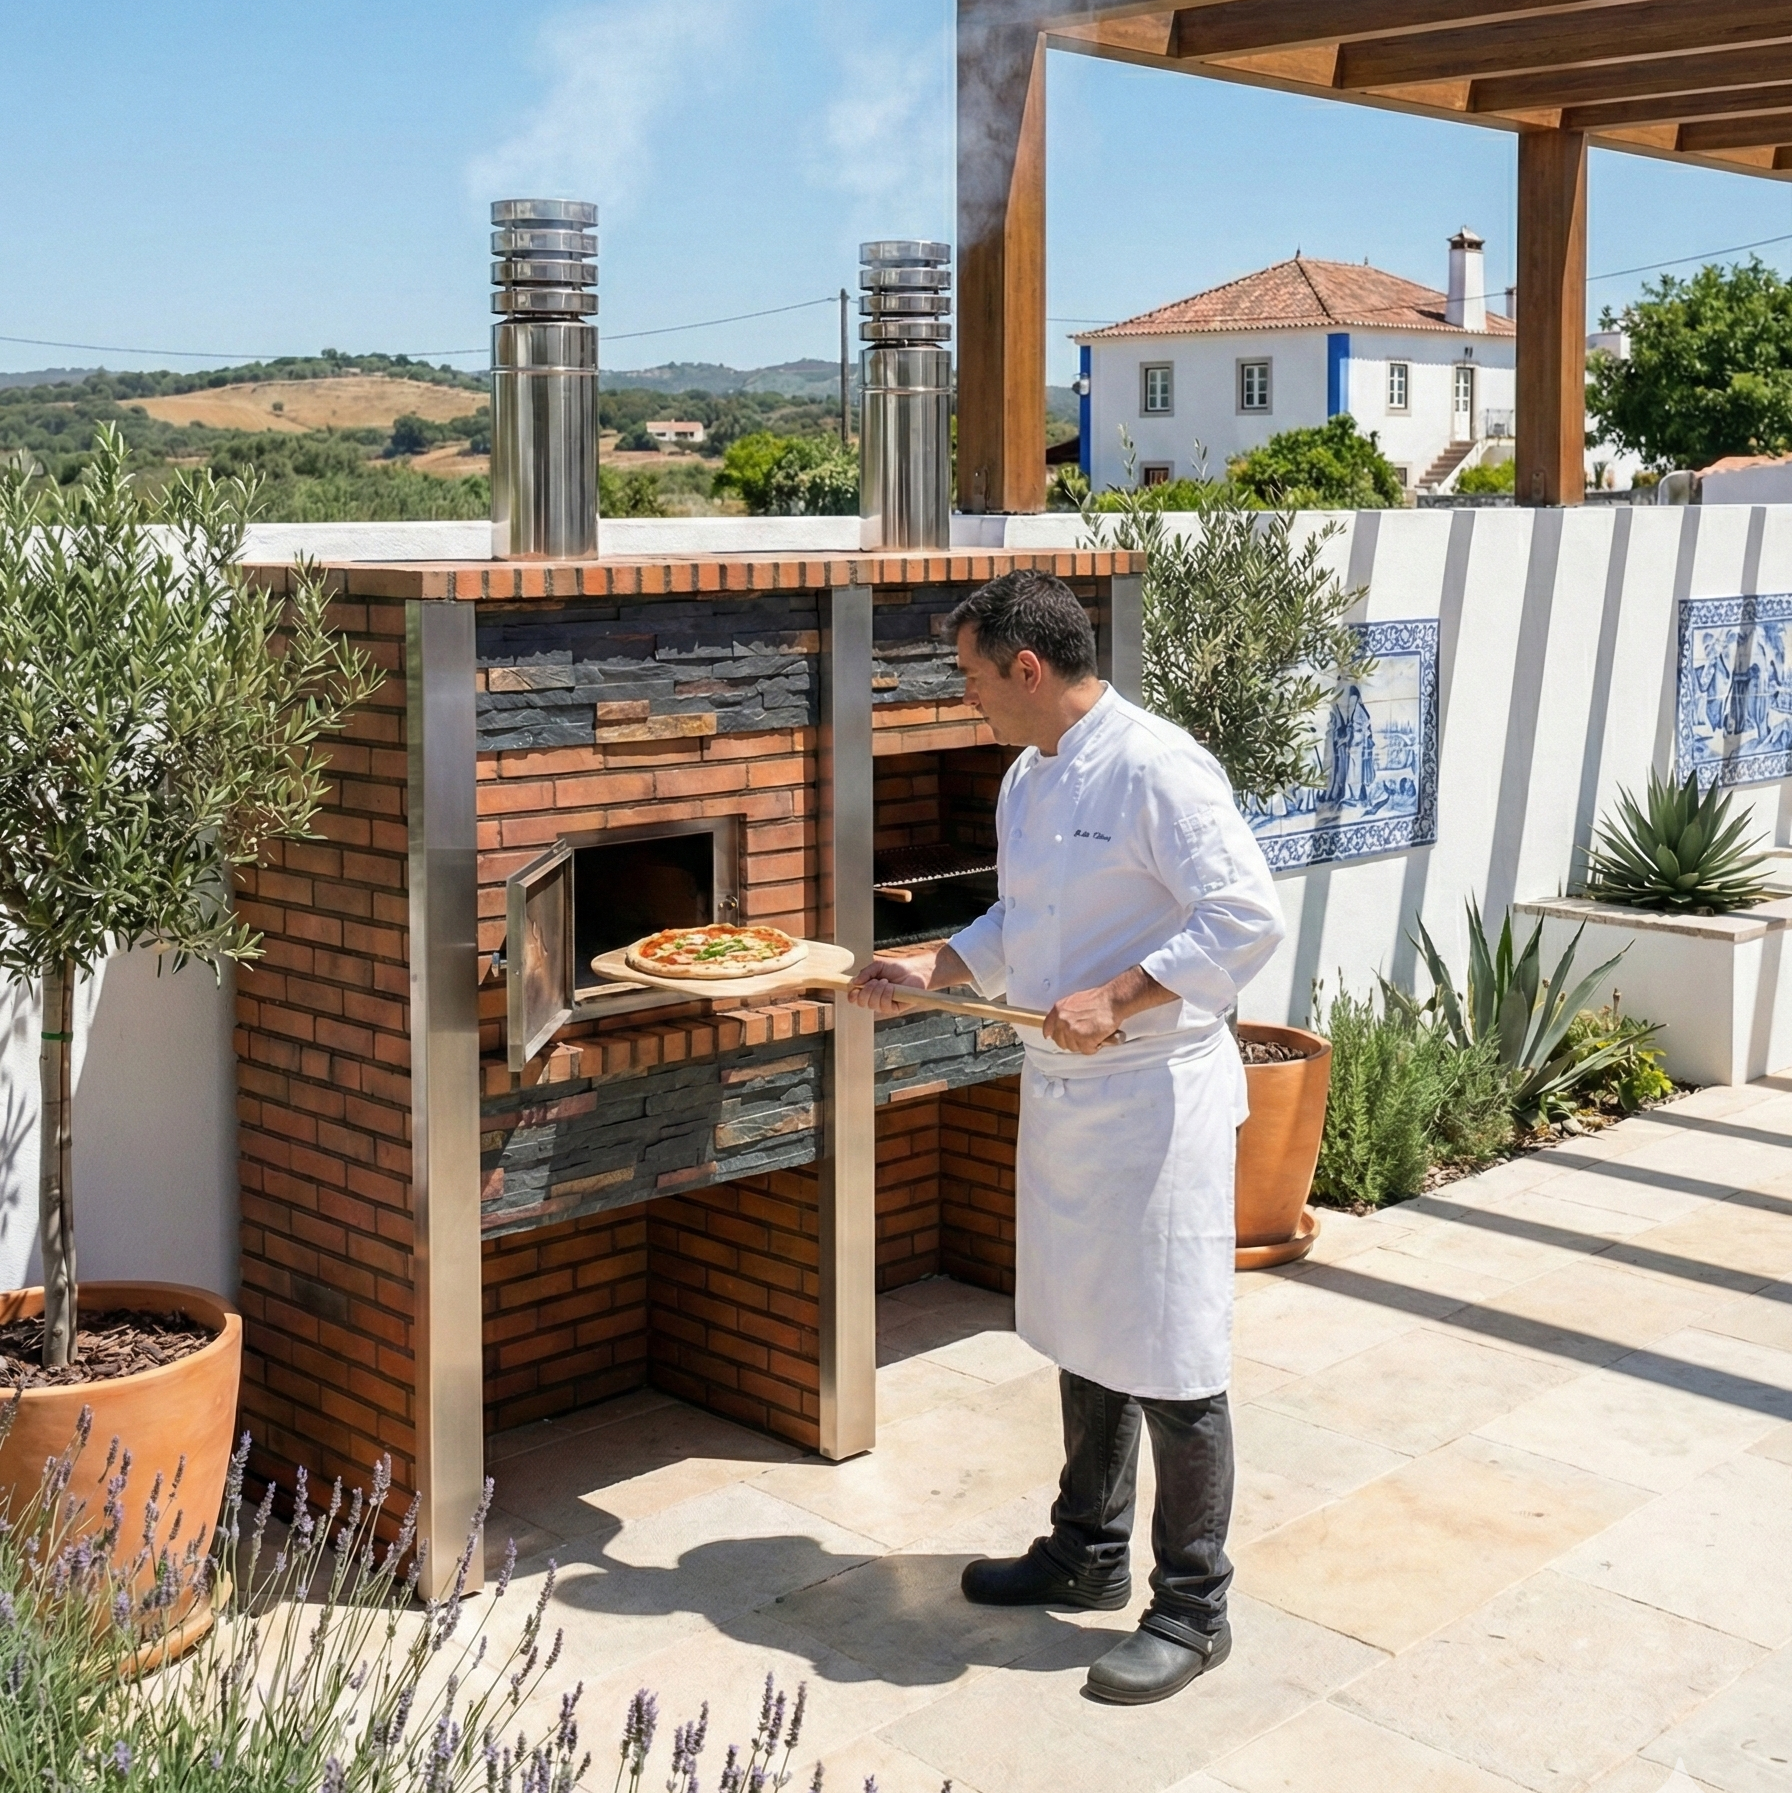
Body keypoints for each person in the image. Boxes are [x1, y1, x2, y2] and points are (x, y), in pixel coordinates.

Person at [849, 569, 1285, 1706]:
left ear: (1026, 669)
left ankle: (1194, 1607)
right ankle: (1085, 1547)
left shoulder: (1158, 766)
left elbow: (1244, 915)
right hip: (1063, 1092)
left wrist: (1121, 994)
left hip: (1154, 1098)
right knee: (1086, 1325)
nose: (968, 698)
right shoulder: (1025, 779)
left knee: (1174, 1352)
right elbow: (1018, 917)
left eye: (971, 676)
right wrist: (932, 969)